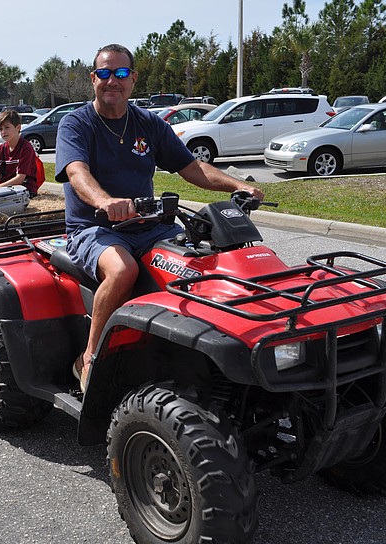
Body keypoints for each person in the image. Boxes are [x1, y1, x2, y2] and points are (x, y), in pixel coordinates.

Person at [55, 43, 265, 392]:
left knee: (204, 264)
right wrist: (106, 201)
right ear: (93, 78)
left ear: (133, 79)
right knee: (123, 270)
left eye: (121, 73)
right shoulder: (76, 124)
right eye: (104, 73)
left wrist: (238, 184)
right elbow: (77, 173)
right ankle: (90, 358)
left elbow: (191, 167)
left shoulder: (147, 123)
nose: (113, 81)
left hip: (150, 227)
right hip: (95, 229)